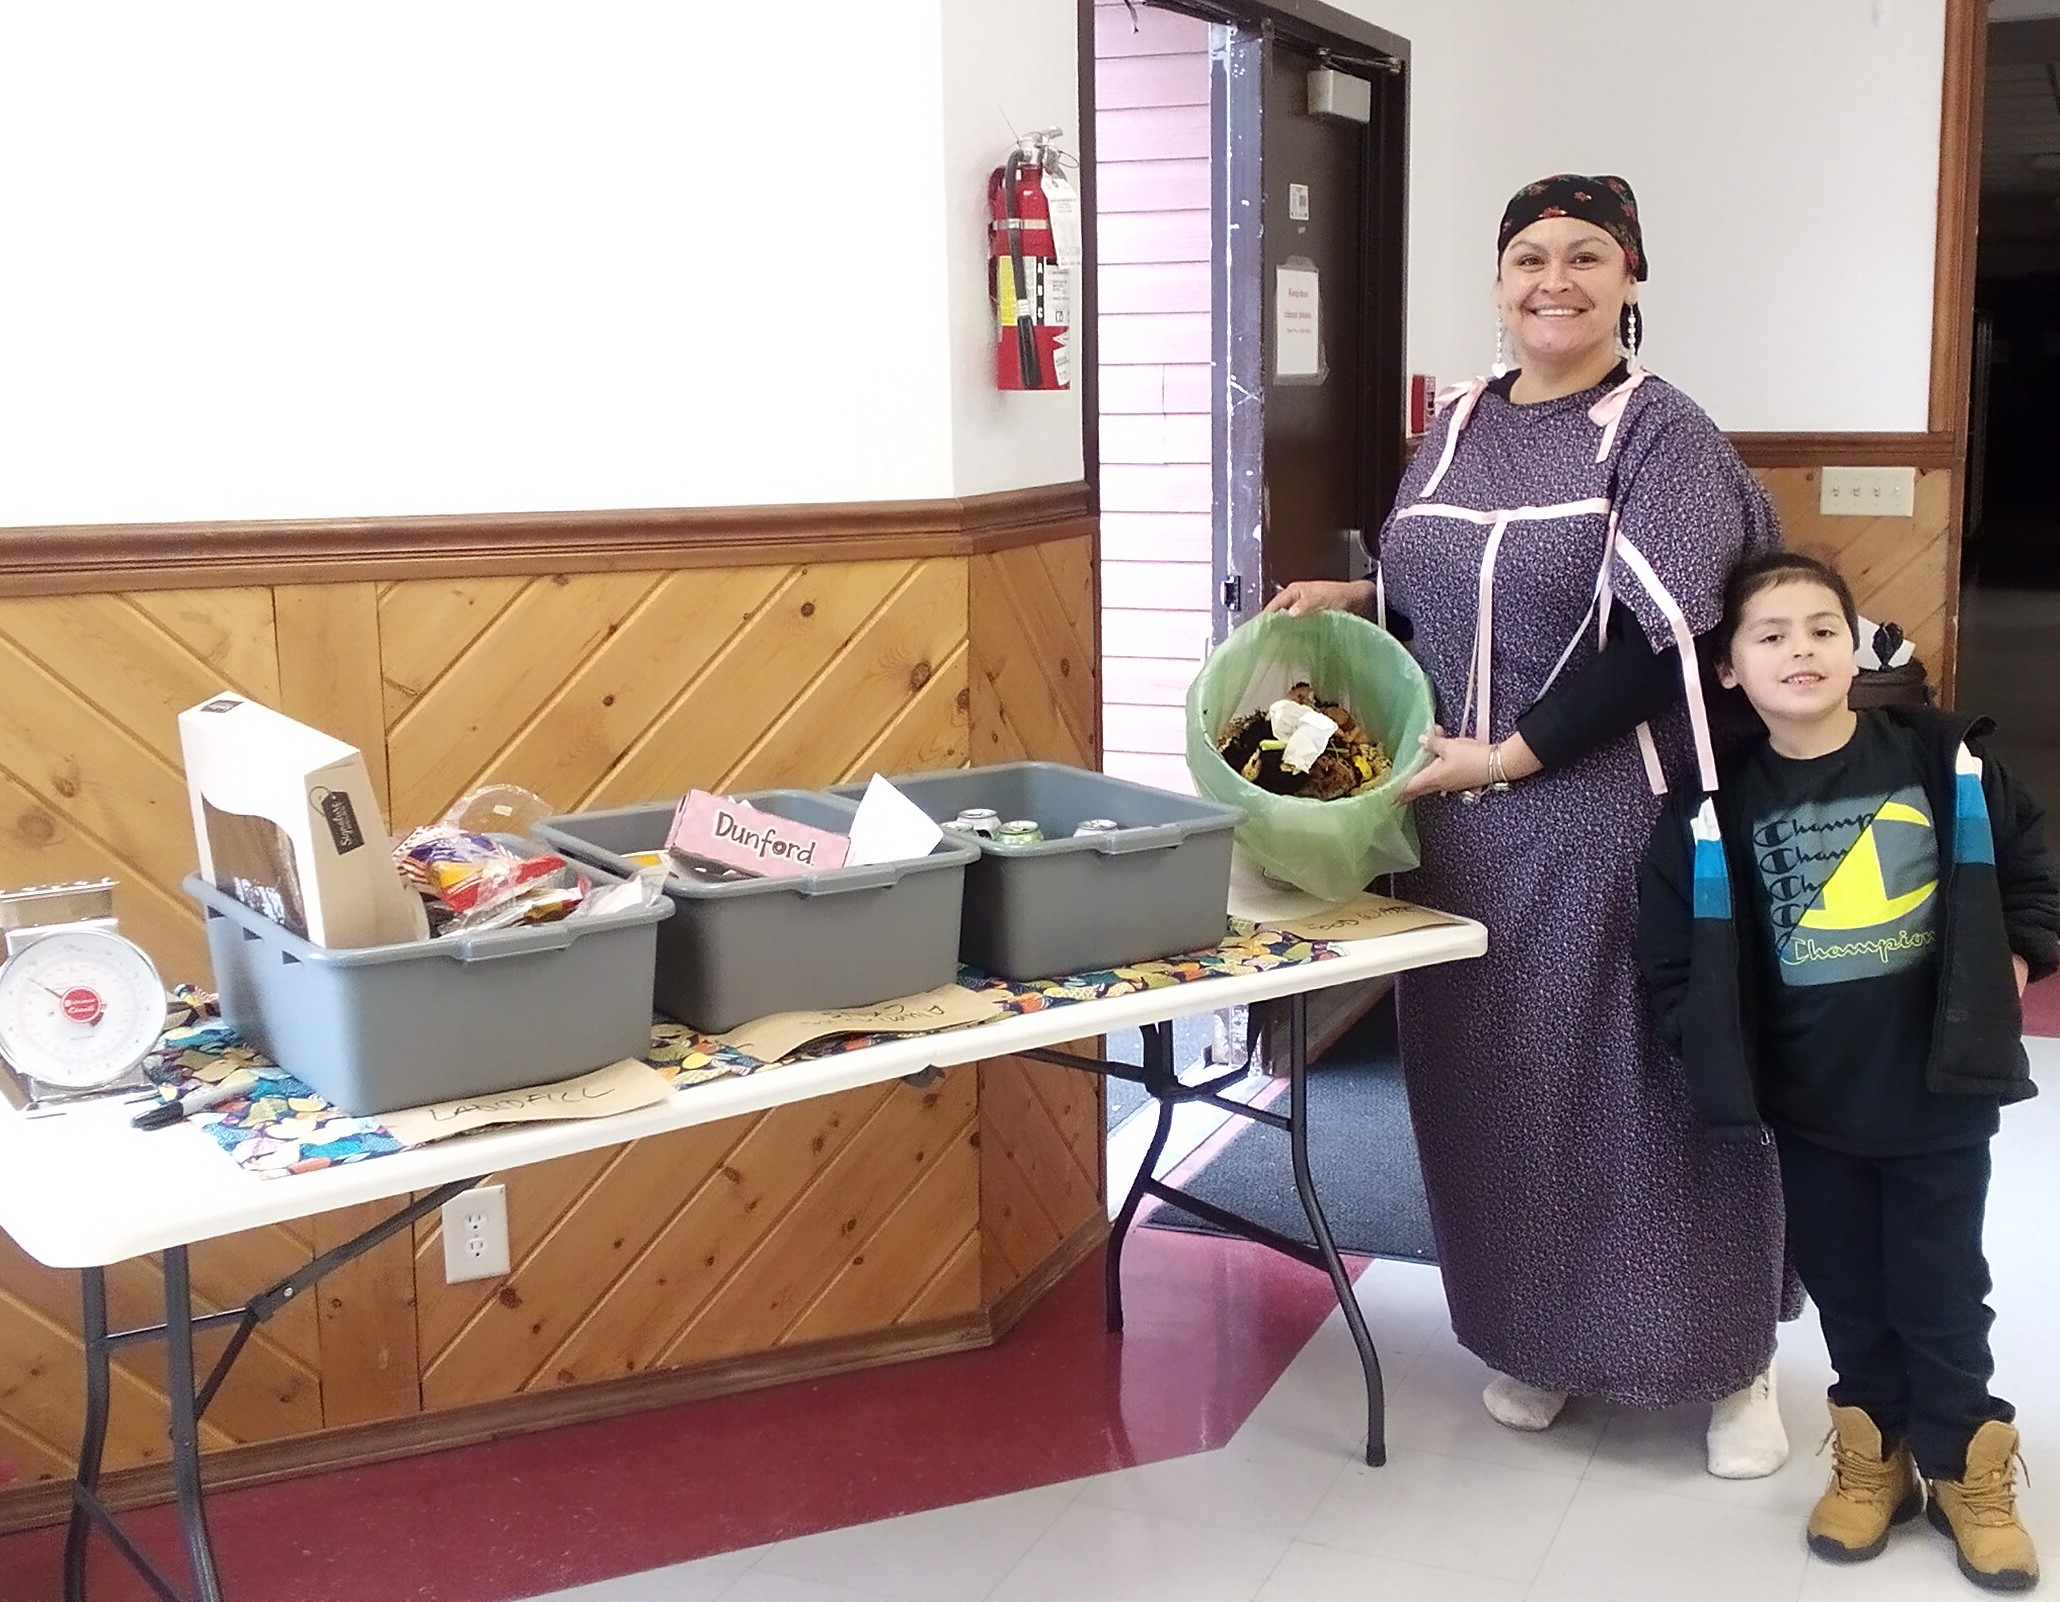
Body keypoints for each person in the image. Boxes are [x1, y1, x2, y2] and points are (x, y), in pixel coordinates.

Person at [1267, 174, 1792, 1475]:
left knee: (1654, 1087)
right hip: (1460, 834)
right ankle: (1543, 1336)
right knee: (1496, 1089)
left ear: (1631, 278)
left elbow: (1657, 635)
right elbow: (1438, 583)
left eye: (1585, 256)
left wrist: (1509, 752)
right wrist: (1353, 590)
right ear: (1498, 283)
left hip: (1618, 823)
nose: (1552, 280)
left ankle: (1727, 1364)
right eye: (1526, 258)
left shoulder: (1663, 436)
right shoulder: (1452, 425)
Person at [1639, 551, 2057, 1592]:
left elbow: (2032, 866)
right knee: (1848, 1295)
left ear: (1854, 644)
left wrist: (2012, 956)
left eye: (1820, 628)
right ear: (1728, 669)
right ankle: (1873, 1462)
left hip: (1937, 1096)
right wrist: (1713, 1046)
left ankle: (1967, 1467)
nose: (1799, 650)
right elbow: (1668, 961)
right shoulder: (1708, 810)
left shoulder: (1937, 762)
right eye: (1768, 634)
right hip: (1811, 1108)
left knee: (1941, 1291)